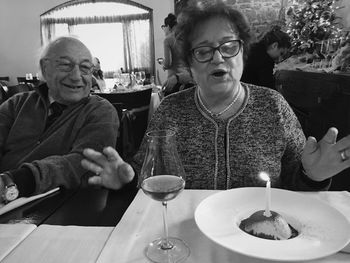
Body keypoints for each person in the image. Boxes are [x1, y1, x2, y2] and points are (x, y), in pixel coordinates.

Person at [81, 0, 350, 191]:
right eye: (203, 51)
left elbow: (295, 179)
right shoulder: (171, 110)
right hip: (187, 238)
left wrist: (312, 176)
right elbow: (146, 173)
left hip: (259, 241)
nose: (218, 57)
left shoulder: (273, 106)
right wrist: (125, 179)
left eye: (229, 46)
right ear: (190, 63)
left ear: (242, 54)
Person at [0, 36, 119, 203]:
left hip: (56, 210)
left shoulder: (100, 111)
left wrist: (16, 181)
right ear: (45, 68)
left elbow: (85, 164)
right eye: (65, 65)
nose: (77, 76)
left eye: (85, 68)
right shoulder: (16, 104)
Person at [160, 13, 193, 96]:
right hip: (187, 80)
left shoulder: (168, 40)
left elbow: (168, 63)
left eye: (164, 27)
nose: (164, 29)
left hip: (174, 81)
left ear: (167, 26)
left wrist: (163, 63)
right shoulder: (186, 38)